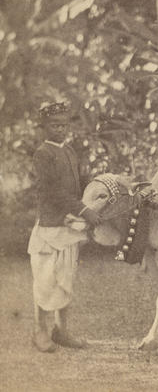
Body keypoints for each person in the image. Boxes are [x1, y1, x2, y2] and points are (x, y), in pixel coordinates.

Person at [28, 101, 102, 352]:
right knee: (45, 280)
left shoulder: (70, 151)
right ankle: (40, 331)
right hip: (51, 225)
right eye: (53, 125)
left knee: (65, 278)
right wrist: (83, 210)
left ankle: (62, 331)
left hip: (70, 226)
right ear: (44, 128)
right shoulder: (43, 153)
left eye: (63, 124)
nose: (59, 129)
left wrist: (93, 194)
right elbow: (52, 191)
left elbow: (78, 185)